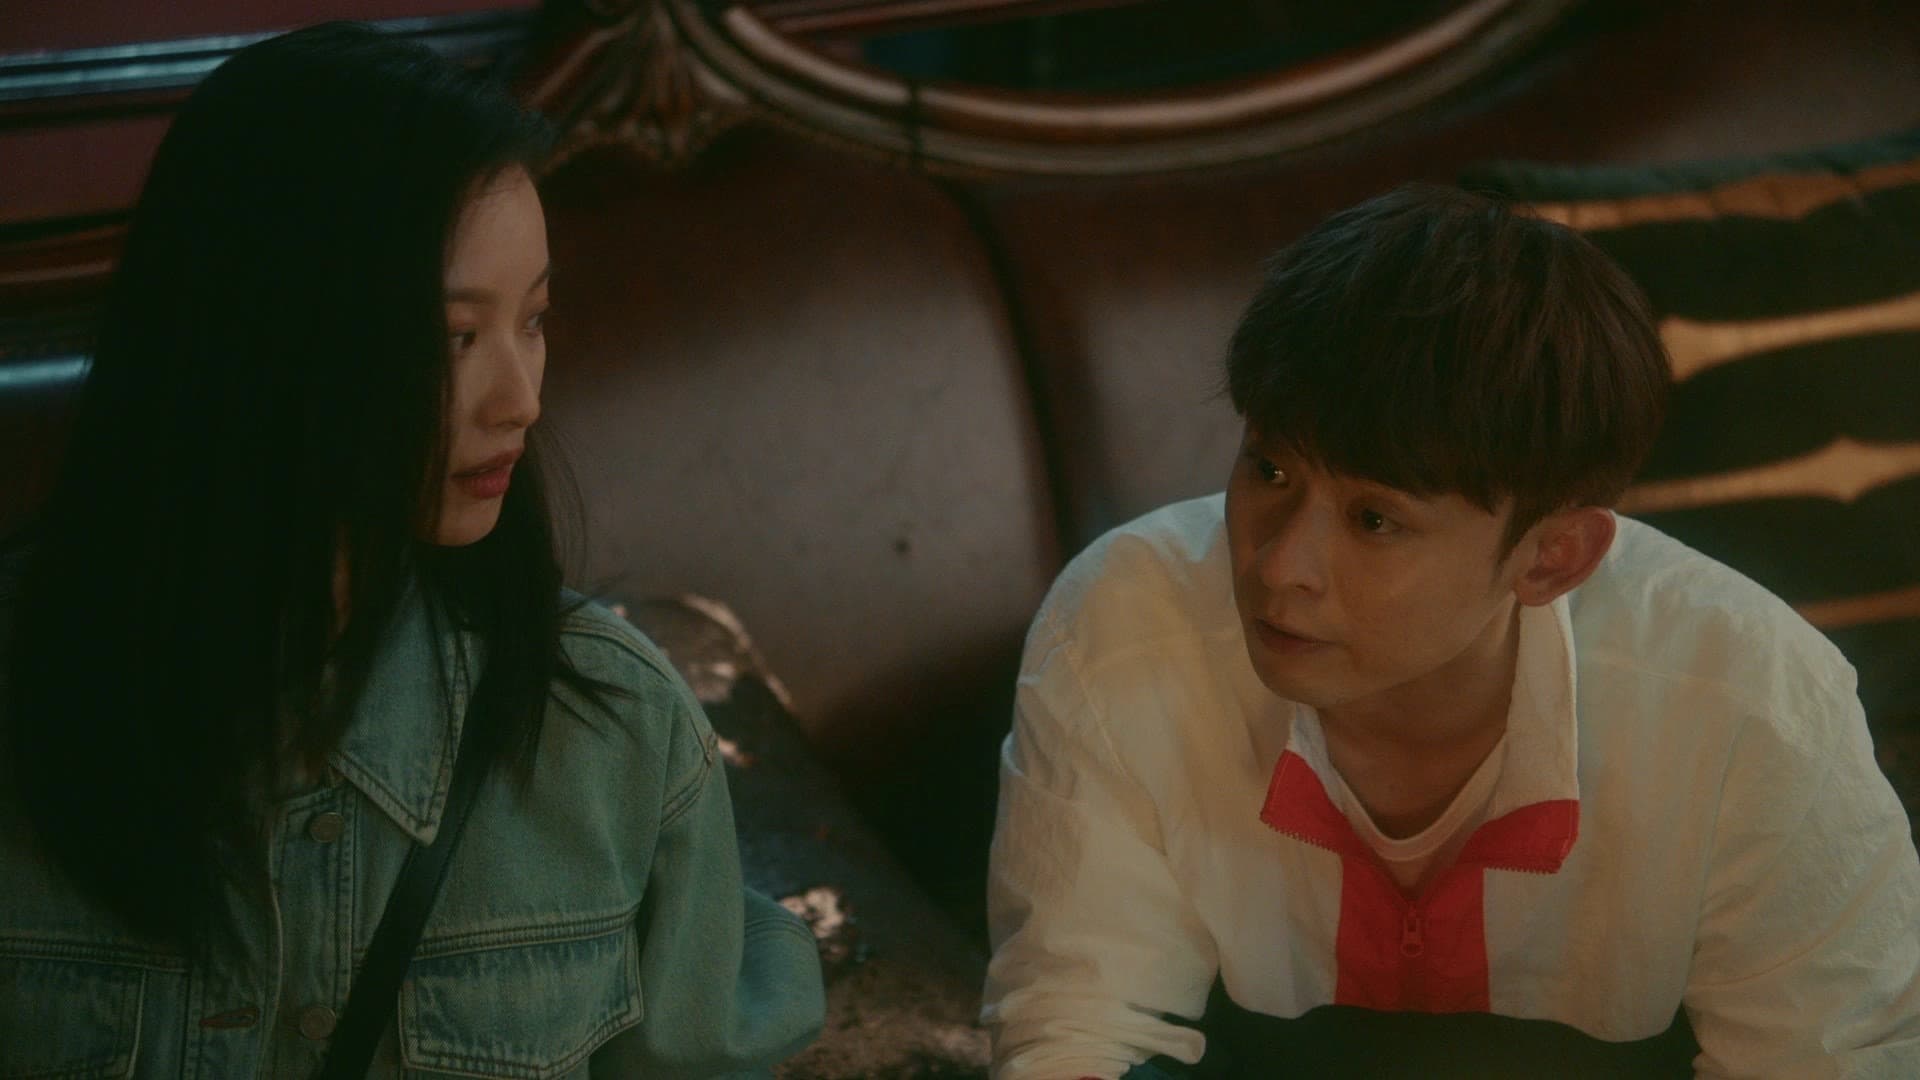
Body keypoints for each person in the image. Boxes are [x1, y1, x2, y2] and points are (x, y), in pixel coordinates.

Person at [0, 22, 822, 1076]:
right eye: (454, 337)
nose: (520, 400)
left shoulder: (607, 730)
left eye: (534, 319)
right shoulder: (29, 701)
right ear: (266, 343)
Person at [982, 184, 1920, 1078]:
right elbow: (1076, 1026)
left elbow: (1828, 1058)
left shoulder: (1753, 704)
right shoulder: (1125, 619)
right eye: (1269, 471)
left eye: (1374, 520)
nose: (1277, 566)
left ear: (1551, 558)